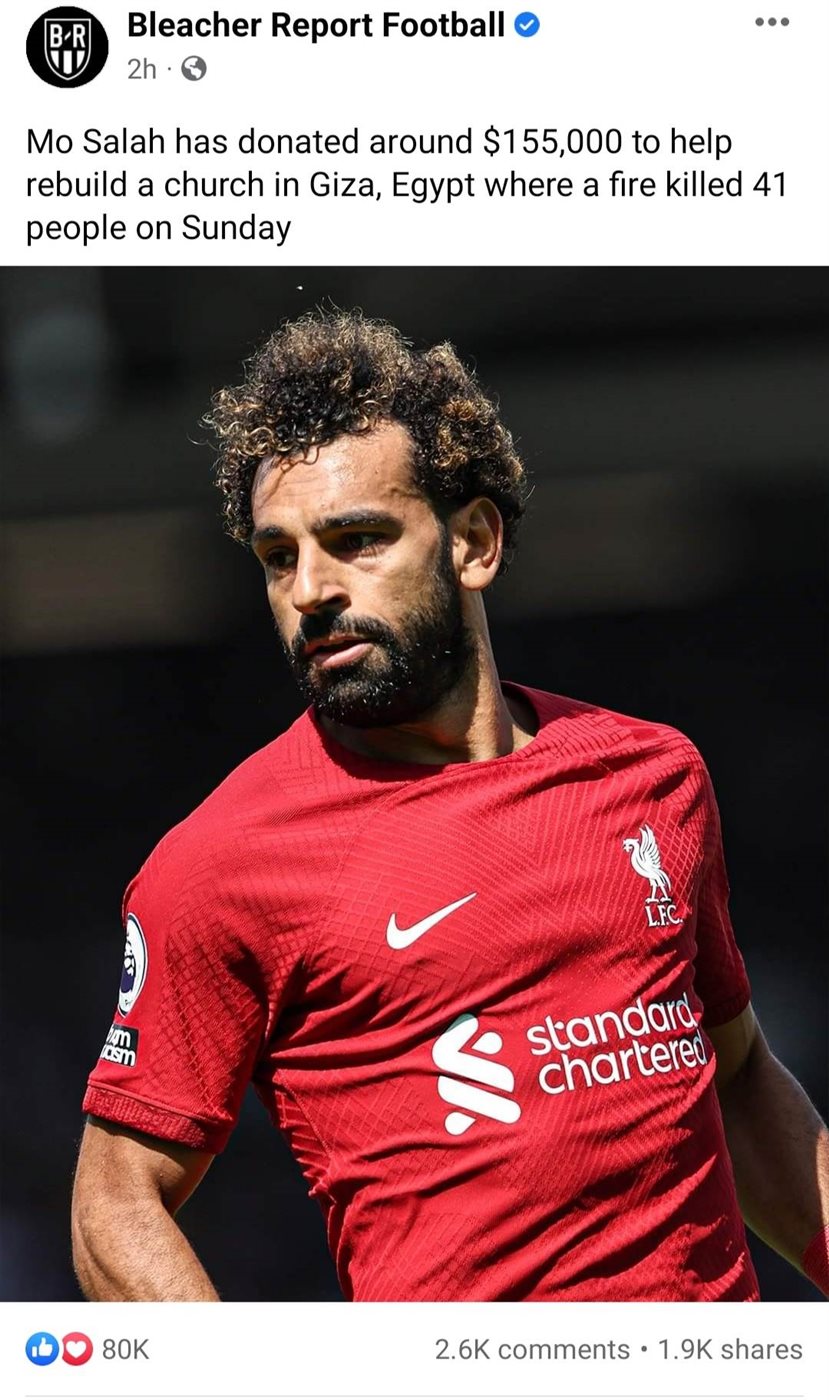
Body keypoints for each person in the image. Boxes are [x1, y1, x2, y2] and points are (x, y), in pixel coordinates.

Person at [72, 311, 829, 1302]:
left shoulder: (651, 774)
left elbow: (737, 1078)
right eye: (278, 556)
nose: (310, 590)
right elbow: (115, 1202)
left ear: (472, 541)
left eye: (356, 539)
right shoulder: (219, 862)